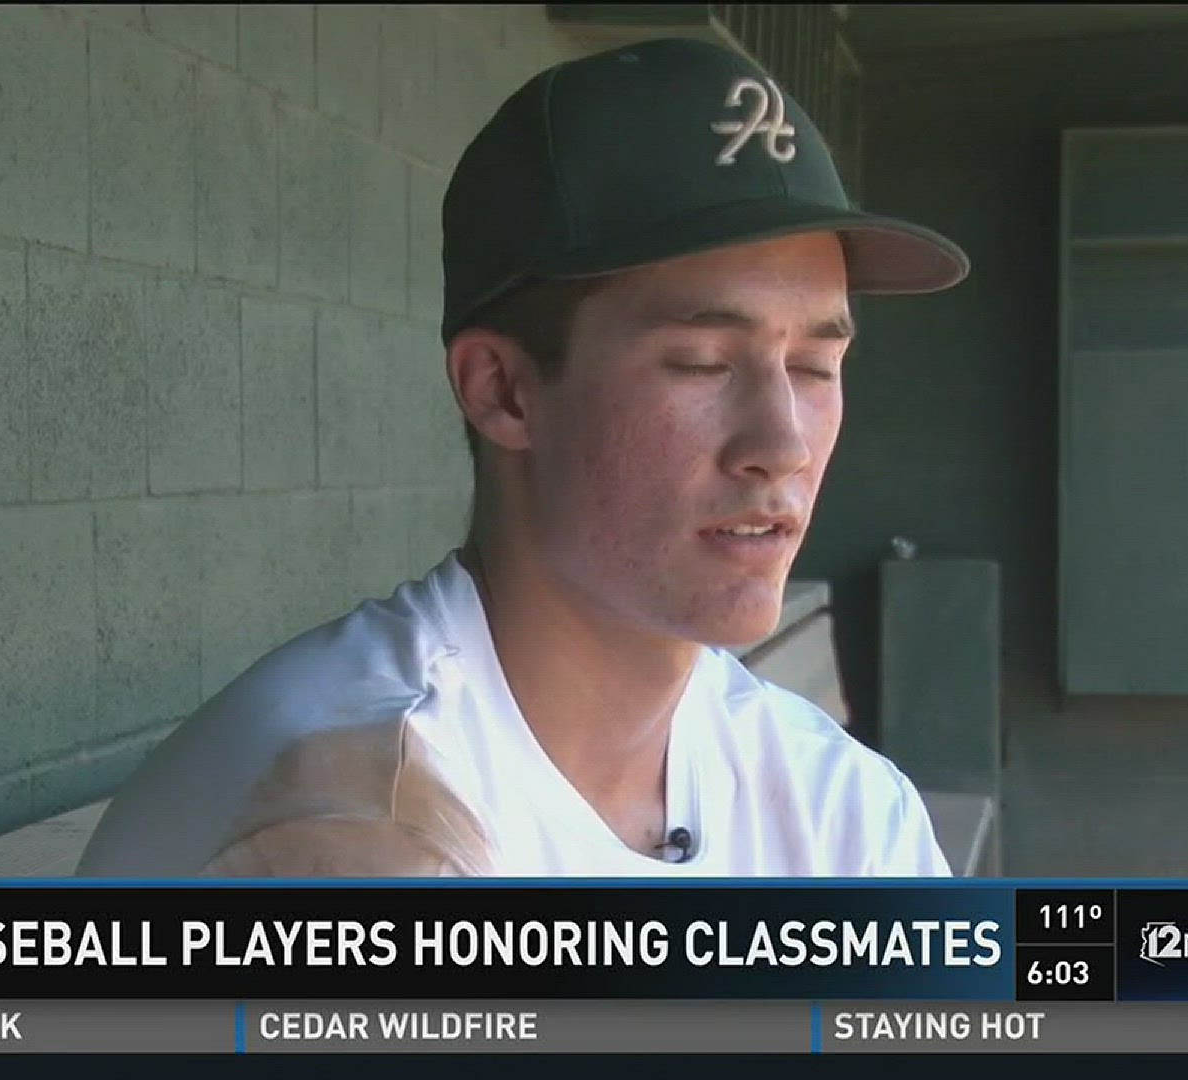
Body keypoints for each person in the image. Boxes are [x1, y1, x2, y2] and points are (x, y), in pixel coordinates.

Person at [76, 37, 969, 878]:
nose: (783, 444)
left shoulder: (845, 813)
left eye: (816, 366)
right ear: (503, 390)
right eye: (702, 363)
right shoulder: (348, 827)